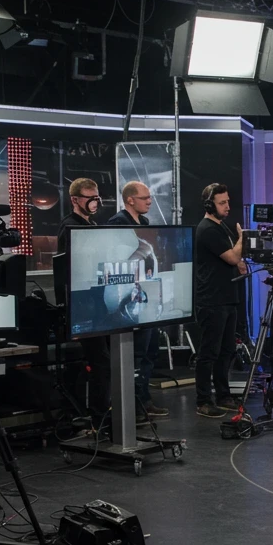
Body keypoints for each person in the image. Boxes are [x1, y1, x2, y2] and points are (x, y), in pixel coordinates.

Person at [57, 178, 128, 427]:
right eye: (89, 197)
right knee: (101, 364)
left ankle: (106, 413)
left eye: (96, 197)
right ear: (75, 199)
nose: (94, 202)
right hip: (84, 306)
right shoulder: (70, 228)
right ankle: (100, 418)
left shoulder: (91, 225)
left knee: (106, 363)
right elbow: (74, 271)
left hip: (99, 305)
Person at [106, 180, 169, 421]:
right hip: (127, 297)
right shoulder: (117, 225)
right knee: (136, 353)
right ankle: (131, 405)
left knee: (150, 350)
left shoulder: (143, 224)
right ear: (130, 199)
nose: (149, 202)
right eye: (145, 198)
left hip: (145, 295)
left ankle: (143, 400)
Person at [193, 183, 245, 418]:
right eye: (222, 202)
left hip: (227, 298)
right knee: (209, 352)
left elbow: (232, 260)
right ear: (209, 205)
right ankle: (203, 399)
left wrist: (238, 261)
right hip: (212, 300)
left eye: (228, 201)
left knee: (226, 351)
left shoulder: (221, 226)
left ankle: (223, 394)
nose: (227, 206)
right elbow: (233, 256)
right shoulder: (207, 229)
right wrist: (242, 239)